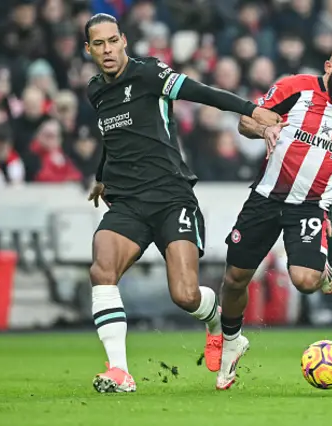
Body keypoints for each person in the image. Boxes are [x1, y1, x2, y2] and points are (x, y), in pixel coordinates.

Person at [84, 13, 282, 393]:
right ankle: (120, 372)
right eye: (99, 44)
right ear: (89, 49)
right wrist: (100, 176)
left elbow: (201, 91)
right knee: (101, 270)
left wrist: (249, 109)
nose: (107, 50)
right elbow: (112, 139)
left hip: (171, 197)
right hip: (126, 203)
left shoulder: (149, 74)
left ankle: (219, 326)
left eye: (113, 41)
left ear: (123, 40)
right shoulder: (96, 91)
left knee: (185, 295)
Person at [216, 44, 332, 389]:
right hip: (266, 199)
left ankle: (321, 265)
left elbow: (322, 161)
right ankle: (231, 343)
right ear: (329, 66)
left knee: (305, 280)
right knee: (236, 279)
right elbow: (244, 122)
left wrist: (325, 203)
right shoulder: (294, 88)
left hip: (309, 206)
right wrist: (264, 130)